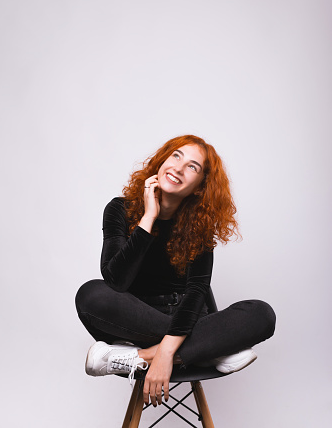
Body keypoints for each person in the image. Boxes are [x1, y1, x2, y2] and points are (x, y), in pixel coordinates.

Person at [75, 135, 276, 407]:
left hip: (187, 318)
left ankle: (141, 357)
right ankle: (210, 350)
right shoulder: (119, 209)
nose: (180, 168)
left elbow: (197, 292)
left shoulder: (199, 225)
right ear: (162, 162)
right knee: (91, 293)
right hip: (138, 319)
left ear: (198, 187)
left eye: (193, 167)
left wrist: (164, 354)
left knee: (261, 313)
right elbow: (116, 281)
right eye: (176, 156)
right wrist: (148, 218)